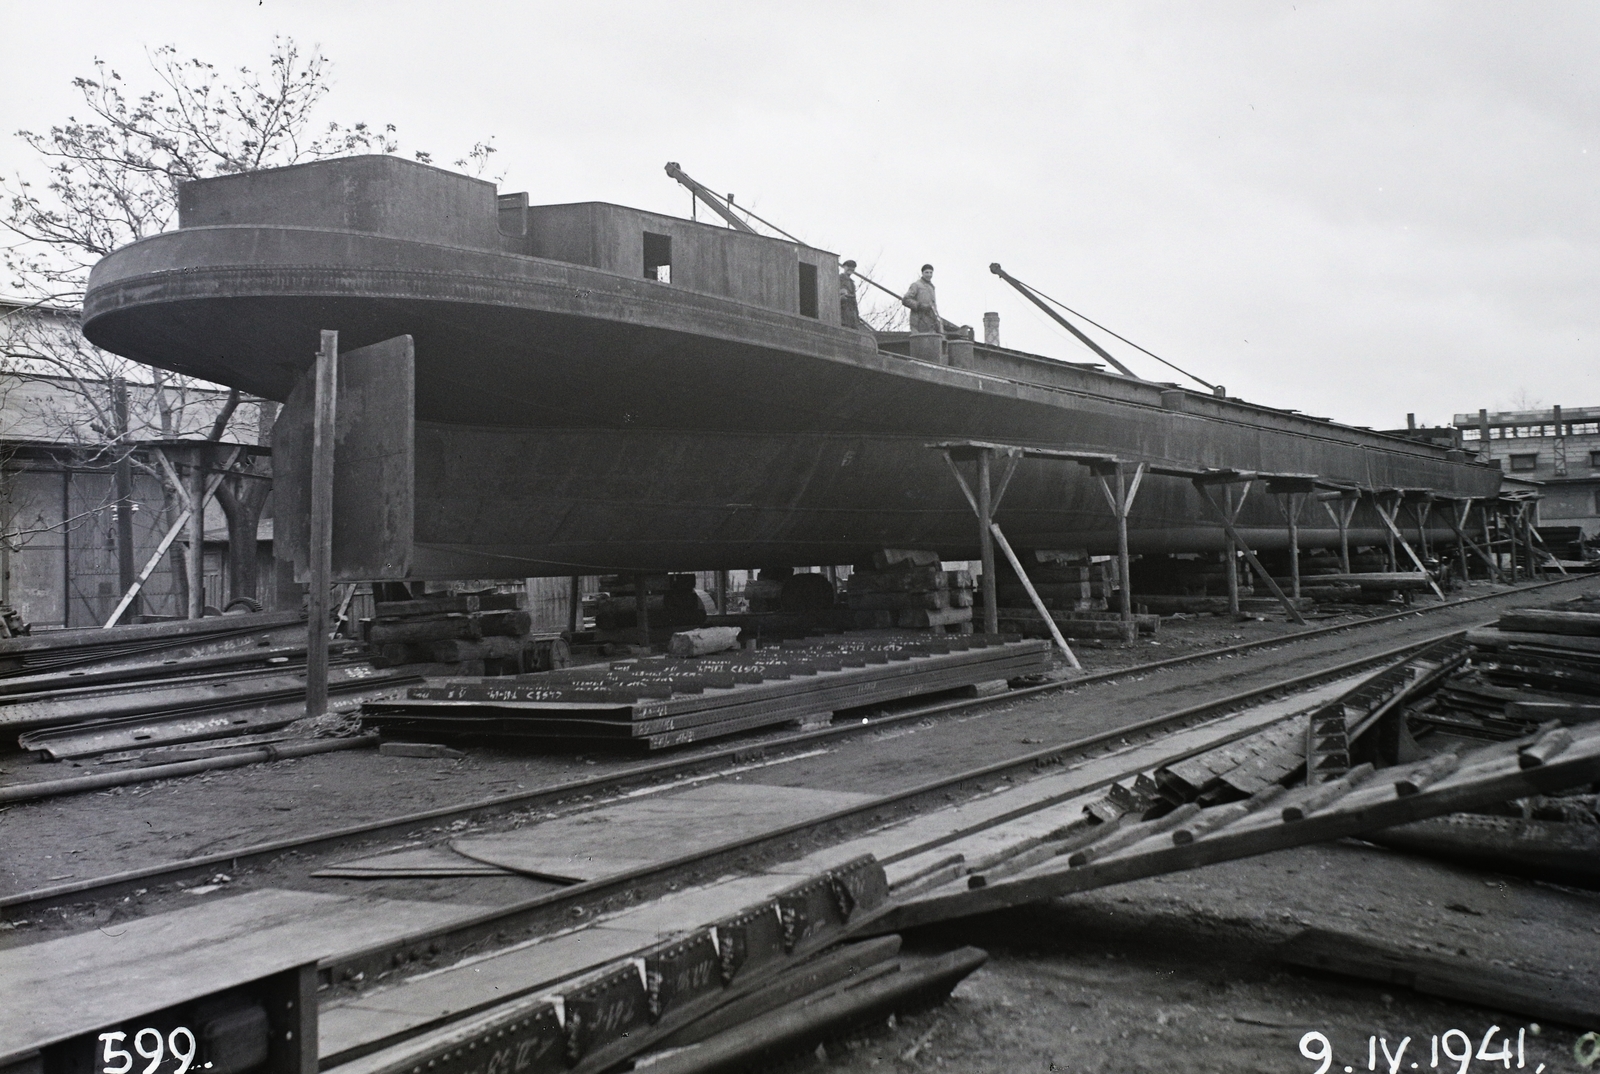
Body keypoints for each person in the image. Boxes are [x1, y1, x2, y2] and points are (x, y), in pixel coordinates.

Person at [902, 264, 940, 334]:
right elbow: (905, 300)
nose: (929, 275)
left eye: (931, 273)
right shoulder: (916, 285)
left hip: (930, 322)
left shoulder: (931, 287)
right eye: (926, 272)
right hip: (918, 322)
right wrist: (919, 305)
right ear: (922, 273)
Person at [839, 260, 861, 328]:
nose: (850, 269)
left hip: (851, 308)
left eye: (852, 268)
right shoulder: (840, 278)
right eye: (849, 267)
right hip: (843, 307)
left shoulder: (852, 282)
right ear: (844, 267)